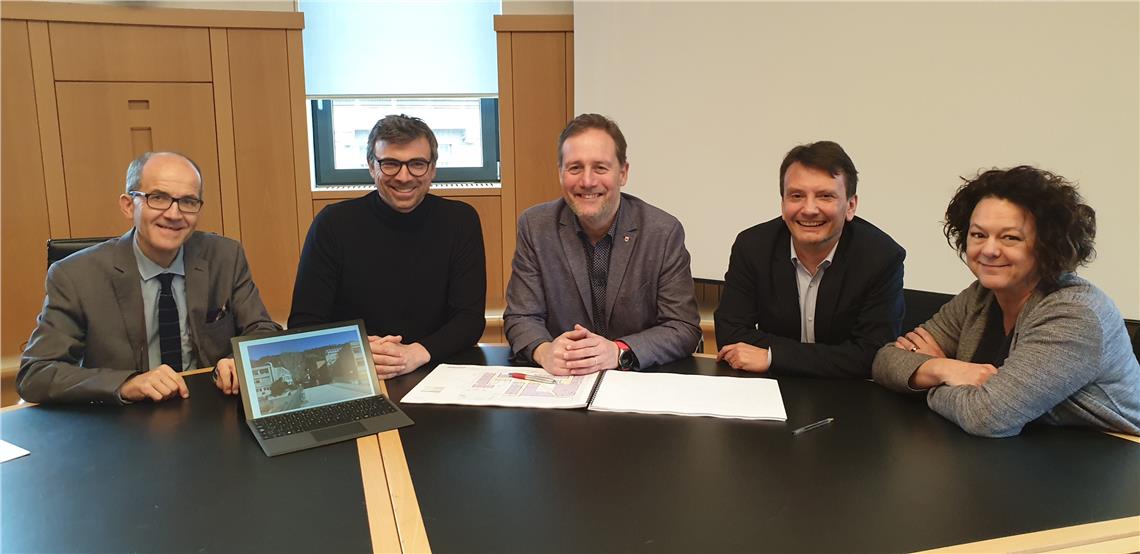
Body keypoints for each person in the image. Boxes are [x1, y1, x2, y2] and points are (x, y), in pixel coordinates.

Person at [873, 166, 1140, 437]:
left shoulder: (1076, 314)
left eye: (1010, 237)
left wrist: (930, 381)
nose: (989, 250)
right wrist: (944, 367)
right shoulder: (980, 296)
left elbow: (987, 417)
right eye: (978, 235)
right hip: (1030, 450)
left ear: (1047, 245)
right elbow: (885, 360)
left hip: (1113, 453)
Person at [18, 152, 280, 404]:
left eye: (188, 201)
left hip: (210, 409)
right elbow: (36, 373)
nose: (174, 214)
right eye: (158, 198)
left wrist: (238, 359)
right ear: (128, 205)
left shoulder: (225, 257)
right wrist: (126, 384)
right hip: (123, 419)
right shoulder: (75, 275)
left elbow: (262, 330)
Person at [289, 114, 486, 379]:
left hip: (436, 368)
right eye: (390, 164)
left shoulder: (461, 221)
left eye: (417, 164)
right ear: (372, 166)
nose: (404, 177)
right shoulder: (332, 223)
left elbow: (469, 320)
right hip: (353, 373)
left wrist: (415, 353)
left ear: (432, 169)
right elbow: (304, 323)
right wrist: (356, 350)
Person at [504, 113, 701, 375]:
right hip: (563, 380)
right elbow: (521, 316)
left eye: (600, 167)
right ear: (560, 173)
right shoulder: (535, 226)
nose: (587, 181)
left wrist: (618, 351)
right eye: (575, 168)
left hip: (636, 380)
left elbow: (682, 326)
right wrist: (544, 351)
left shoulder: (662, 232)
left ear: (623, 173)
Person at [714, 141, 905, 378]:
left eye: (825, 196)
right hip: (771, 386)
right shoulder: (752, 246)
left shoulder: (881, 257)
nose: (809, 209)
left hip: (847, 392)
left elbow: (873, 355)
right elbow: (730, 333)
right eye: (796, 196)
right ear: (783, 203)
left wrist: (774, 356)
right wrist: (834, 356)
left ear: (850, 206)